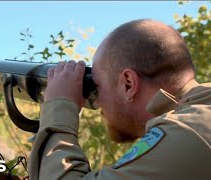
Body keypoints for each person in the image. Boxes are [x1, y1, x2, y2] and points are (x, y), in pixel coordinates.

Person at [28, 19, 211, 180]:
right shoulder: (198, 117)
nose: (97, 103)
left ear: (128, 84)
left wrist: (59, 106)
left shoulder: (185, 132)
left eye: (97, 87)